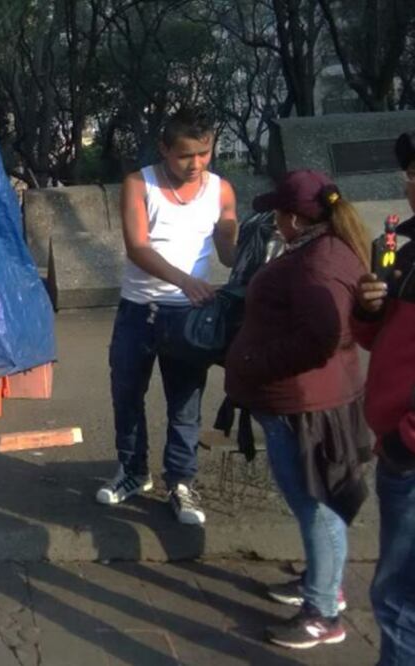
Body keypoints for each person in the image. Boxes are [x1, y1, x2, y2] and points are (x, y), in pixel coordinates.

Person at [225, 170, 370, 649]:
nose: (274, 222)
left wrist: (255, 363)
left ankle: (323, 612)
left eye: (277, 214)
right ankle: (321, 582)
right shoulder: (329, 248)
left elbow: (321, 335)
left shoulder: (316, 263)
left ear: (292, 218)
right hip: (316, 397)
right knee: (319, 500)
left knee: (315, 505)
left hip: (303, 404)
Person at [96, 107, 238, 525]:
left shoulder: (221, 190)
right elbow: (137, 247)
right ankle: (133, 470)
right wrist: (184, 280)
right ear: (164, 149)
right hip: (139, 309)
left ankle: (181, 481)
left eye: (204, 153)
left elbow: (228, 256)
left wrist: (234, 235)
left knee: (185, 403)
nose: (196, 164)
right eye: (185, 155)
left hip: (189, 318)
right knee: (127, 393)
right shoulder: (140, 184)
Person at [354, 131, 415, 666]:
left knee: (399, 599)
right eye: (413, 174)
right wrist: (369, 309)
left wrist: (405, 441)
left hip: (409, 451)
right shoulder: (405, 246)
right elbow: (378, 338)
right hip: (398, 445)